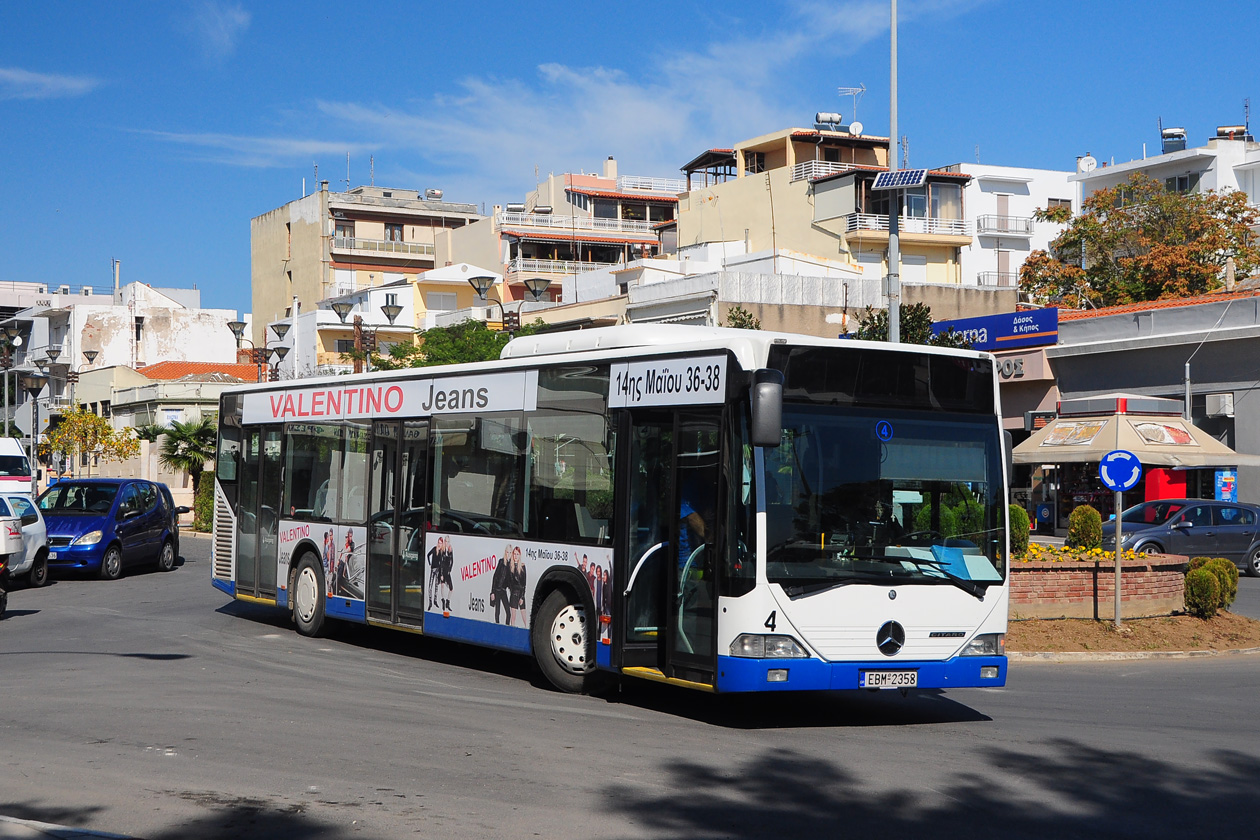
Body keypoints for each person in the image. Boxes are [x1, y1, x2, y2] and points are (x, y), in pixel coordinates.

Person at [490, 551, 510, 624]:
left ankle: (506, 627)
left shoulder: (510, 565)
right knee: (497, 611)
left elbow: (509, 581)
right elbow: (495, 576)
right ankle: (497, 626)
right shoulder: (501, 562)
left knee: (508, 612)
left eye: (510, 552)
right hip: (497, 590)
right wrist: (492, 592)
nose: (509, 554)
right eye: (507, 552)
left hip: (503, 590)